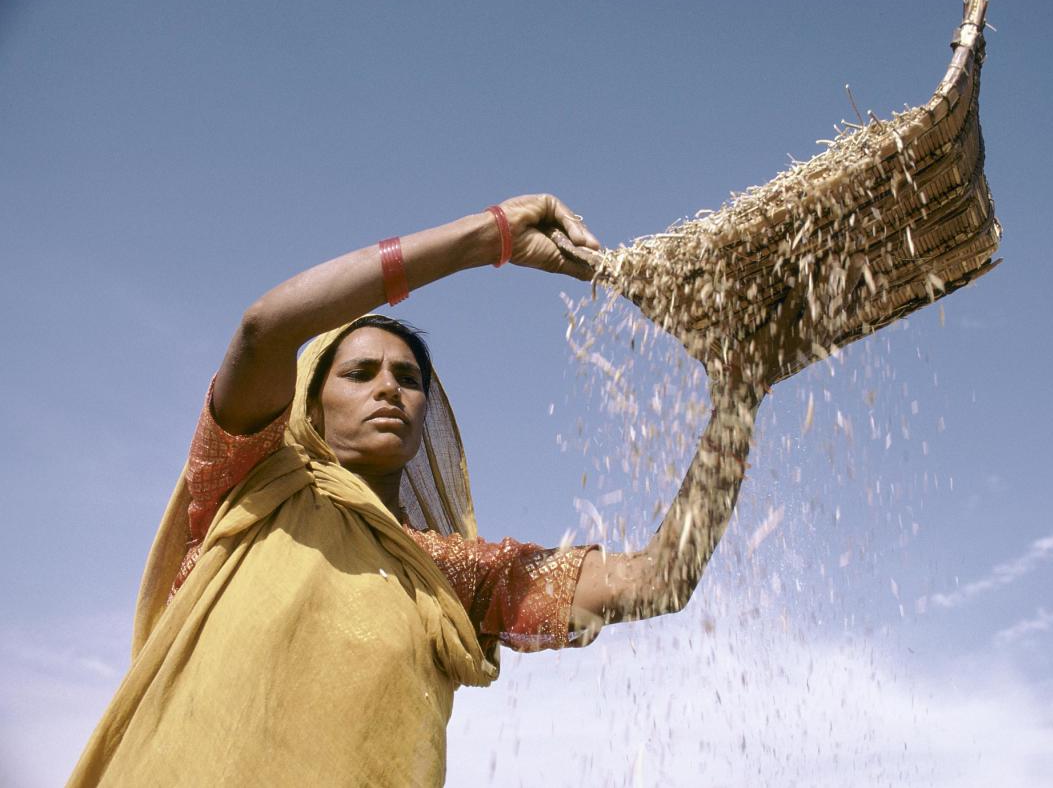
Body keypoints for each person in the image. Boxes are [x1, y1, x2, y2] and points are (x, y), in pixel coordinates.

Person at [68, 195, 767, 786]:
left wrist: (739, 395)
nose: (388, 390)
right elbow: (263, 328)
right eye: (360, 372)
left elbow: (660, 580)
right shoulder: (252, 484)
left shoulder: (447, 573)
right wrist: (486, 239)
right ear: (310, 403)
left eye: (408, 380)